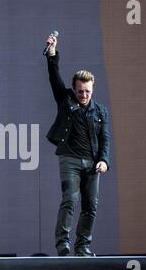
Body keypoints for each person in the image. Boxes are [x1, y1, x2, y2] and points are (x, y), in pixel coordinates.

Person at [45, 34, 111, 257]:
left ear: (93, 89)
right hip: (70, 159)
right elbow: (54, 76)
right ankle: (62, 245)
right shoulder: (65, 100)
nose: (84, 95)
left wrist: (104, 160)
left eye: (88, 91)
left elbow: (105, 139)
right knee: (70, 200)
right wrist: (52, 53)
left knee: (90, 206)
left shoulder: (100, 111)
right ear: (74, 89)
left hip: (92, 163)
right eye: (80, 90)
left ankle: (82, 247)